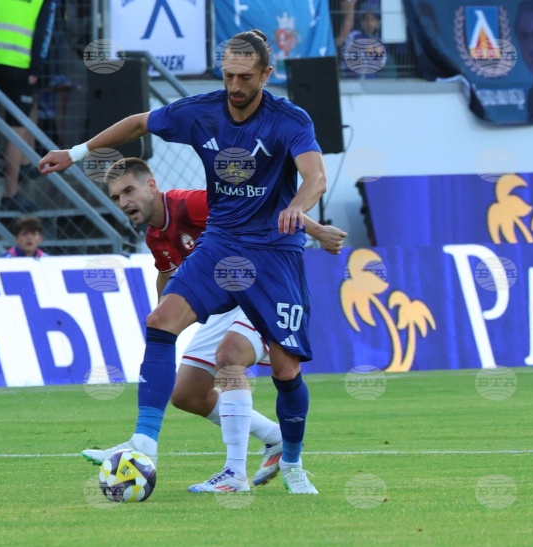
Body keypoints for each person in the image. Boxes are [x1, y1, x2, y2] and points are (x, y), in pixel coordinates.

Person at [40, 29, 328, 494]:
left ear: (266, 75)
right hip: (221, 245)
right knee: (161, 322)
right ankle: (143, 443)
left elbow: (315, 176)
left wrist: (299, 207)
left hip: (274, 254)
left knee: (285, 370)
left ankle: (291, 462)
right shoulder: (202, 112)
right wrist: (75, 153)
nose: (235, 86)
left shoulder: (288, 120)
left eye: (245, 77)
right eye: (228, 76)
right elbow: (138, 123)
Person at [81, 157, 346, 492]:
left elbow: (261, 206)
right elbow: (167, 274)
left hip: (262, 286)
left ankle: (235, 473)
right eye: (117, 197)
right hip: (225, 305)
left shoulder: (190, 204)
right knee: (187, 394)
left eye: (129, 191)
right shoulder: (155, 236)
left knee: (231, 357)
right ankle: (274, 437)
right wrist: (167, 320)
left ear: (151, 186)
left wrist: (317, 231)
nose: (123, 202)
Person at [0, 0, 57, 211]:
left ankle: (25, 163)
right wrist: (36, 68)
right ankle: (10, 194)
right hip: (19, 64)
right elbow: (43, 33)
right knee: (16, 130)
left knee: (10, 114)